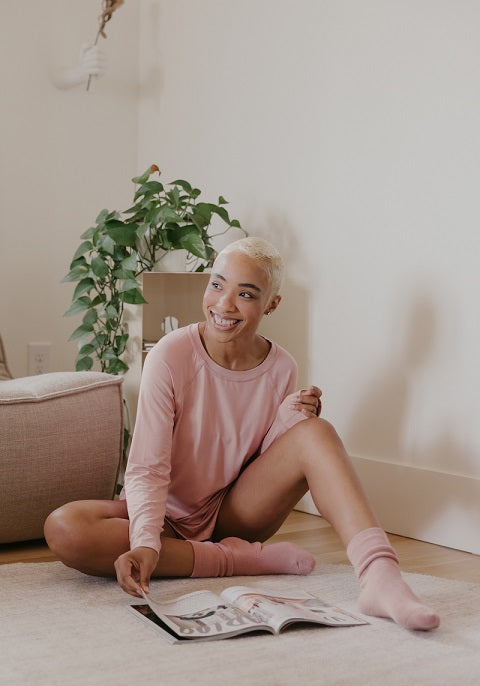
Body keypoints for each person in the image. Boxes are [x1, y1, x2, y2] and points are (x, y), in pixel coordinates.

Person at [44, 236, 440, 631]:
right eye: (217, 284)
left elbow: (259, 456)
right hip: (164, 512)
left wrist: (293, 421)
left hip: (231, 512)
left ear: (271, 304)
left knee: (317, 432)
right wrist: (146, 542)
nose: (225, 304)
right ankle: (240, 560)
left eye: (246, 294)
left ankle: (380, 577)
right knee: (65, 528)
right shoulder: (170, 355)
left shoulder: (282, 366)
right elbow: (147, 468)